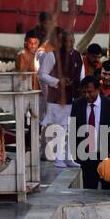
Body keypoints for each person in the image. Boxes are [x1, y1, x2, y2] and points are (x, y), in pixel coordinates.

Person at [39, 30, 84, 168]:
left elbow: (81, 76)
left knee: (71, 127)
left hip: (73, 97)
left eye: (72, 41)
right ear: (61, 42)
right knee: (59, 128)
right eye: (67, 41)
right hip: (57, 99)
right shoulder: (52, 55)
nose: (70, 44)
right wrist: (58, 82)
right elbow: (42, 75)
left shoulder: (78, 56)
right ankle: (58, 158)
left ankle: (68, 157)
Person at [71, 76, 110, 189]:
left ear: (98, 89)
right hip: (86, 154)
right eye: (84, 92)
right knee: (89, 188)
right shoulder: (77, 104)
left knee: (107, 187)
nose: (87, 95)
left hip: (107, 154)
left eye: (90, 92)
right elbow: (73, 128)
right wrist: (74, 151)